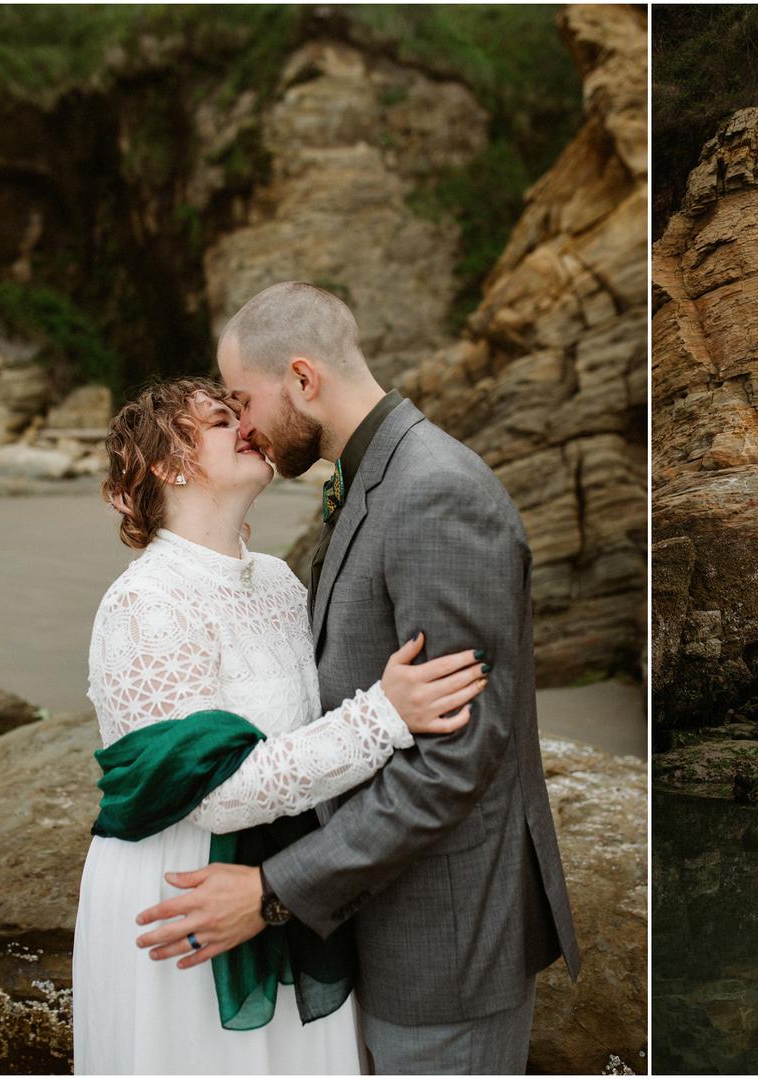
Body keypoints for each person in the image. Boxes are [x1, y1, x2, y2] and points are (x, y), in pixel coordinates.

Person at [133, 282, 580, 1074]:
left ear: (303, 380)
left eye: (243, 399)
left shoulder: (434, 491)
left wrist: (272, 889)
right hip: (379, 925)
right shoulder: (371, 477)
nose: (243, 426)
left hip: (445, 947)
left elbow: (455, 761)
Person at [74, 378, 489, 1073]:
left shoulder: (277, 581)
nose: (244, 424)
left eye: (239, 412)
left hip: (284, 881)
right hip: (183, 891)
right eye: (215, 420)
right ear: (166, 466)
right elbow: (216, 791)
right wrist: (383, 714)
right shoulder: (144, 603)